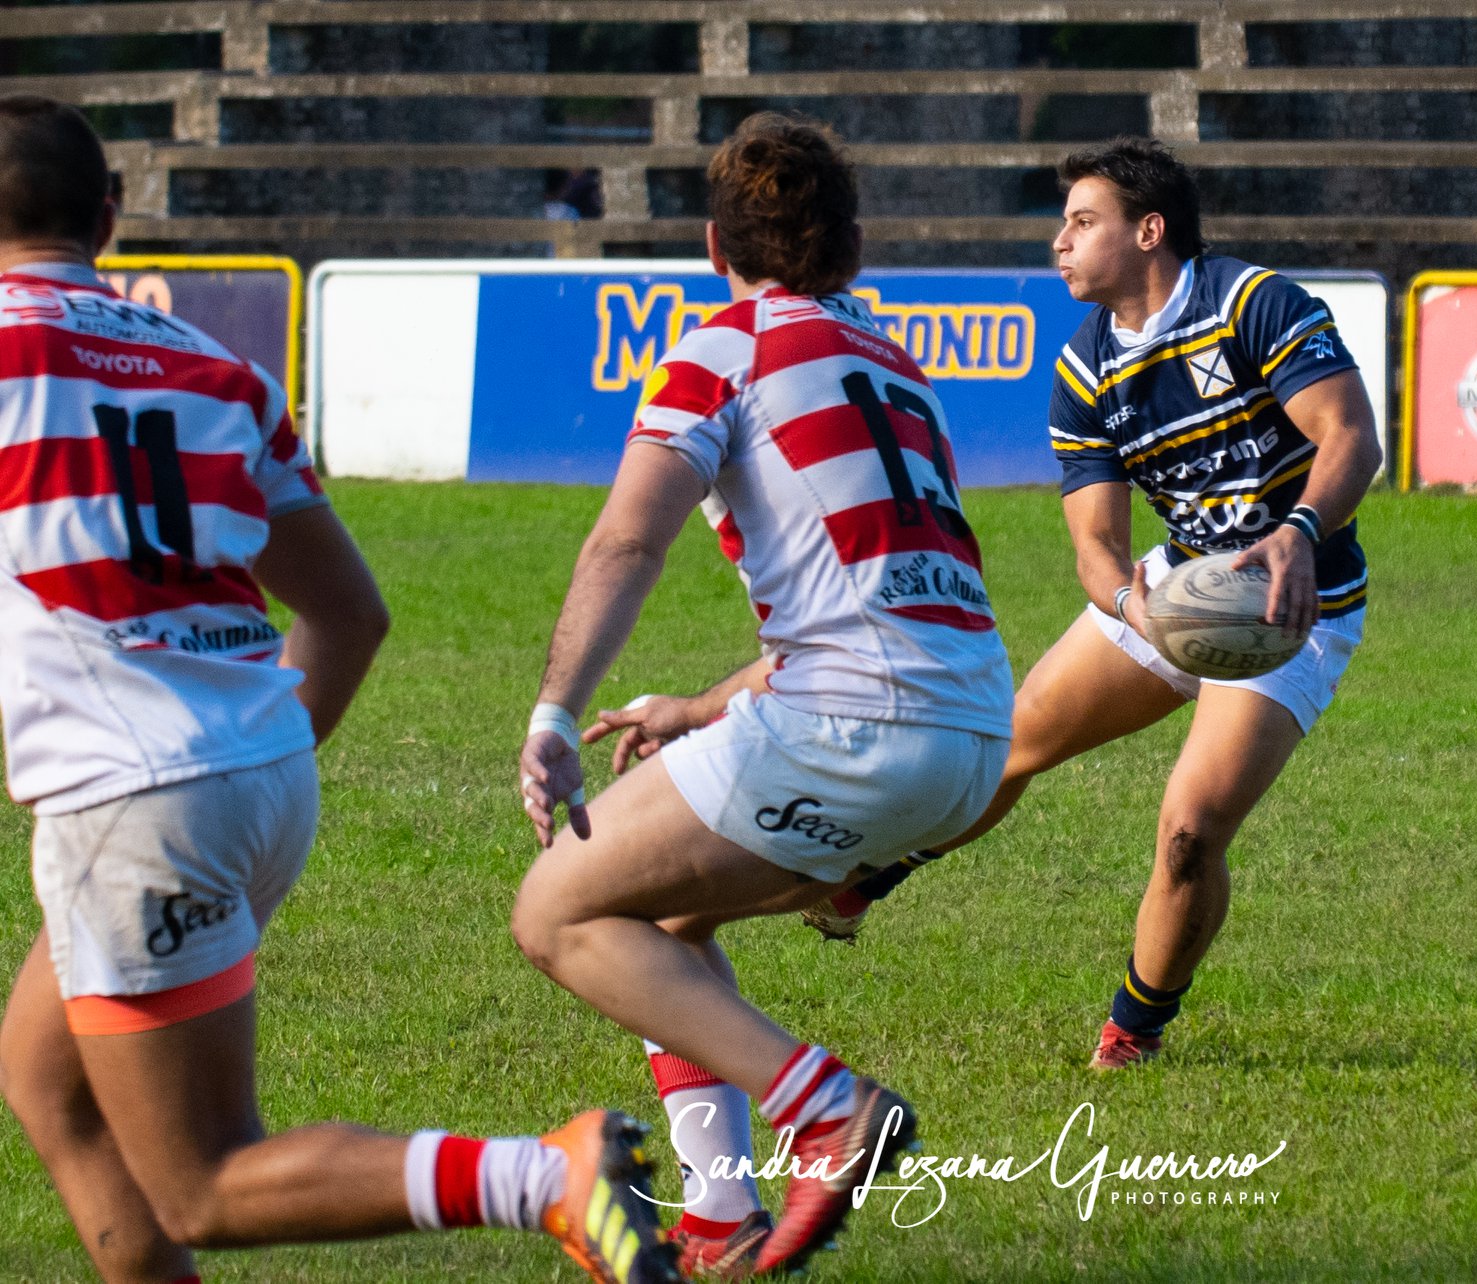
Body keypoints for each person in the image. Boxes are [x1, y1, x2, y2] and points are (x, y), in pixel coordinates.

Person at [0, 97, 678, 1284]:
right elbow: (348, 613)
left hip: (134, 798)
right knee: (46, 1082)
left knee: (201, 1181)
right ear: (110, 218)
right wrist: (233, 765)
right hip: (260, 768)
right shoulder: (219, 370)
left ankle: (545, 1172)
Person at [511, 112, 1014, 1276]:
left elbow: (625, 541)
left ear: (711, 244)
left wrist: (551, 712)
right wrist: (700, 707)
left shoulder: (723, 345)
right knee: (668, 917)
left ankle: (825, 1109)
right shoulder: (897, 369)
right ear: (846, 246)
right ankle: (719, 1220)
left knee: (556, 911)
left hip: (856, 731)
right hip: (972, 741)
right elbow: (873, 602)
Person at [804, 137, 1383, 1072]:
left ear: (1148, 231)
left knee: (1190, 831)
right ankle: (877, 873)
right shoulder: (1083, 370)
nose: (1058, 242)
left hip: (1293, 611)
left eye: (1081, 222)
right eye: (1062, 224)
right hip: (1179, 587)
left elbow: (1350, 436)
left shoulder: (1254, 303)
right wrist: (1128, 600)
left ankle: (1133, 1031)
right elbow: (1093, 544)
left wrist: (1302, 531)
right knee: (1007, 740)